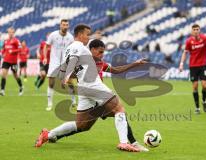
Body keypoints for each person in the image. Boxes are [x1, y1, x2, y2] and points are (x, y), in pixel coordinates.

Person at [35, 24, 146, 152]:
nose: (89, 37)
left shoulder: (70, 48)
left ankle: (48, 135)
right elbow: (73, 60)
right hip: (92, 84)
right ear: (80, 34)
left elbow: (70, 63)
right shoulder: (78, 46)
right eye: (87, 34)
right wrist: (66, 76)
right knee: (119, 109)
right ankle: (124, 143)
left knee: (82, 124)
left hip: (84, 87)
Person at [43, 19, 75, 111]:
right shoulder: (53, 35)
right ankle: (49, 103)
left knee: (69, 82)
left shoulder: (70, 37)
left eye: (67, 25)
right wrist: (45, 57)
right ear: (60, 26)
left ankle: (73, 101)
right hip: (54, 62)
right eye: (64, 25)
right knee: (51, 82)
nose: (65, 26)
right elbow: (46, 46)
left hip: (66, 62)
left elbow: (73, 49)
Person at [0, 27, 23, 96]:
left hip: (14, 62)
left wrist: (13, 51)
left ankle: (21, 86)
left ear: (14, 33)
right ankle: (2, 90)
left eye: (12, 32)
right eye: (9, 32)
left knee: (15, 75)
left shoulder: (16, 41)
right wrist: (1, 52)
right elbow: (4, 49)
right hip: (6, 61)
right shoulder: (6, 41)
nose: (10, 34)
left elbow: (20, 49)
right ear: (8, 33)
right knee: (3, 74)